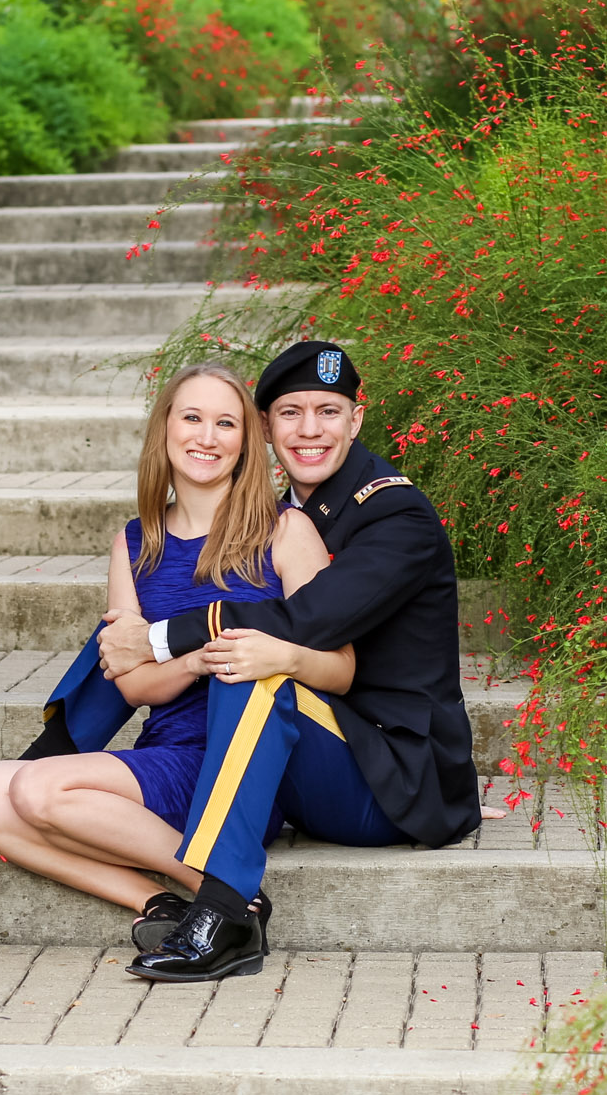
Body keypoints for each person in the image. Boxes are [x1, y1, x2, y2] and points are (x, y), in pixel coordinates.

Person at [91, 340, 483, 982]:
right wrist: (137, 640)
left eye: (328, 412)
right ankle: (45, 755)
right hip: (323, 754)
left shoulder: (394, 514)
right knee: (141, 629)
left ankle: (226, 914)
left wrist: (165, 639)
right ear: (266, 429)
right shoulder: (293, 513)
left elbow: (312, 620)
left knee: (253, 664)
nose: (309, 430)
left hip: (391, 775)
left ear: (356, 420)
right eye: (290, 413)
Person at [0, 363, 352, 956]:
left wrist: (264, 656)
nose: (207, 437)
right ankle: (161, 900)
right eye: (192, 418)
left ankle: (227, 889)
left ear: (247, 442)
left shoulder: (284, 532)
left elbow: (340, 667)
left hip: (241, 770)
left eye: (225, 423)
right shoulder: (136, 543)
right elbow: (133, 687)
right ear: (164, 429)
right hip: (164, 759)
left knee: (37, 791)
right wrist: (197, 660)